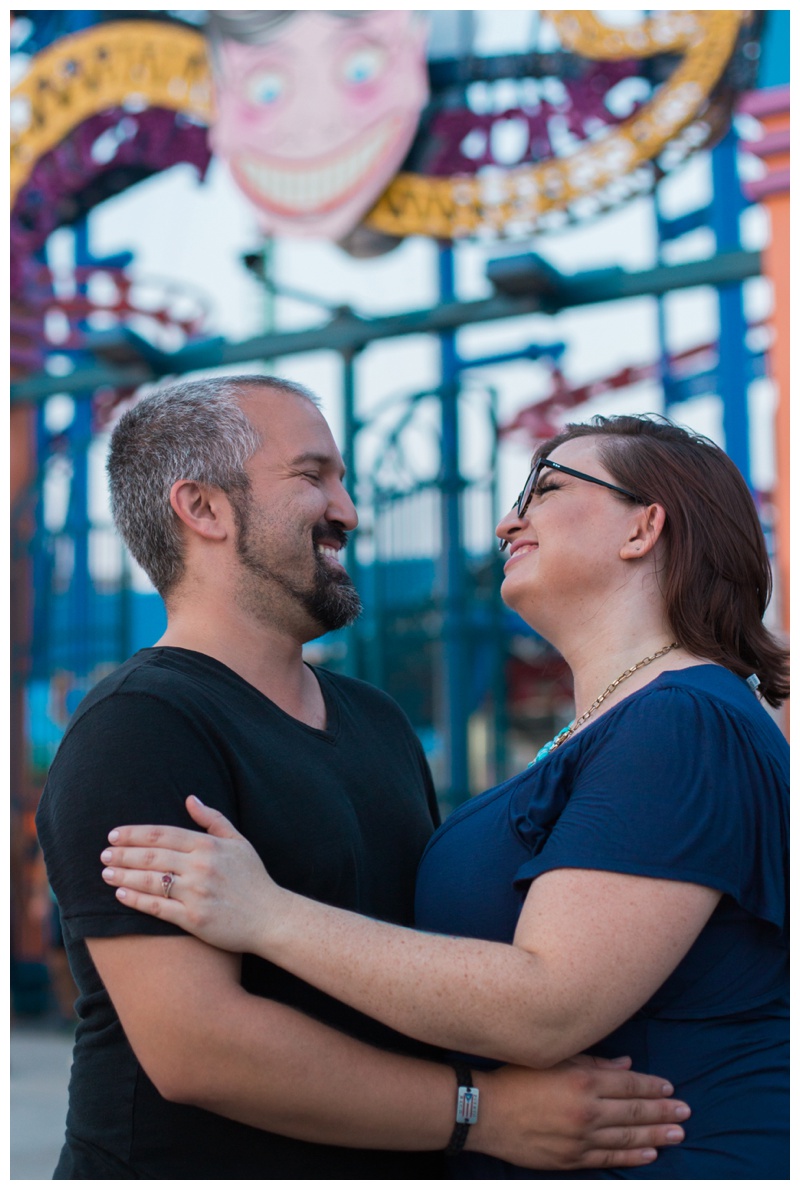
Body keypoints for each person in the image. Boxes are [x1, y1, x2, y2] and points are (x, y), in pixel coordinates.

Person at [100, 412, 789, 1179]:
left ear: (644, 528)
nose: (506, 520)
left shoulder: (682, 719)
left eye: (549, 487)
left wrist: (265, 914)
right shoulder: (620, 725)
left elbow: (549, 1006)